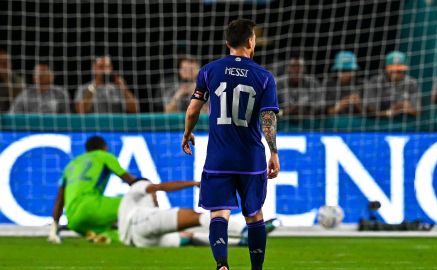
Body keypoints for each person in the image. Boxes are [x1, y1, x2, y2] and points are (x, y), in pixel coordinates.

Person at [182, 19, 280, 270]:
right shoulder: (264, 77)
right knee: (254, 215)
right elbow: (267, 117)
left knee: (219, 212)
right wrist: (274, 152)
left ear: (227, 43)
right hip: (250, 158)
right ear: (250, 41)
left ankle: (222, 265)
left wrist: (187, 133)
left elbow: (193, 108)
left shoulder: (209, 71)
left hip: (218, 157)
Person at [117, 179, 273, 248]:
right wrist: (195, 183)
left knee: (189, 238)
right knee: (195, 217)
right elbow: (160, 186)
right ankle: (245, 231)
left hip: (141, 242)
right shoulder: (139, 186)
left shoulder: (126, 206)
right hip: (140, 223)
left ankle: (240, 243)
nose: (155, 196)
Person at [48, 136, 137, 243]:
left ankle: (101, 235)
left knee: (111, 231)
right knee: (135, 201)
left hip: (72, 219)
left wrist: (54, 226)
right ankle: (146, 231)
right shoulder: (104, 156)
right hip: (90, 207)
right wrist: (148, 187)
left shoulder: (72, 164)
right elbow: (130, 180)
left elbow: (59, 199)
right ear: (104, 147)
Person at [364, 51, 420, 118]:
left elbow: (418, 111)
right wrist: (390, 112)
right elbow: (369, 110)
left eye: (399, 71)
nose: (395, 74)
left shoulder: (411, 83)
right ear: (386, 69)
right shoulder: (375, 81)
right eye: (392, 71)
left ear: (404, 70)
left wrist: (407, 108)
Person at [75, 56, 139, 114]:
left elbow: (134, 109)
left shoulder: (120, 88)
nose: (105, 70)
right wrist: (94, 86)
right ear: (94, 68)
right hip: (93, 126)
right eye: (101, 67)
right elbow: (80, 111)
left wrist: (124, 89)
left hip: (117, 126)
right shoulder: (84, 89)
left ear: (111, 68)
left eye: (107, 66)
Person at [323, 51, 364, 115]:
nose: (346, 74)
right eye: (342, 70)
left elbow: (370, 114)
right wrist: (339, 106)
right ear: (336, 71)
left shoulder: (362, 84)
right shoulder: (328, 85)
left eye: (349, 70)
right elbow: (323, 113)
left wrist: (358, 105)